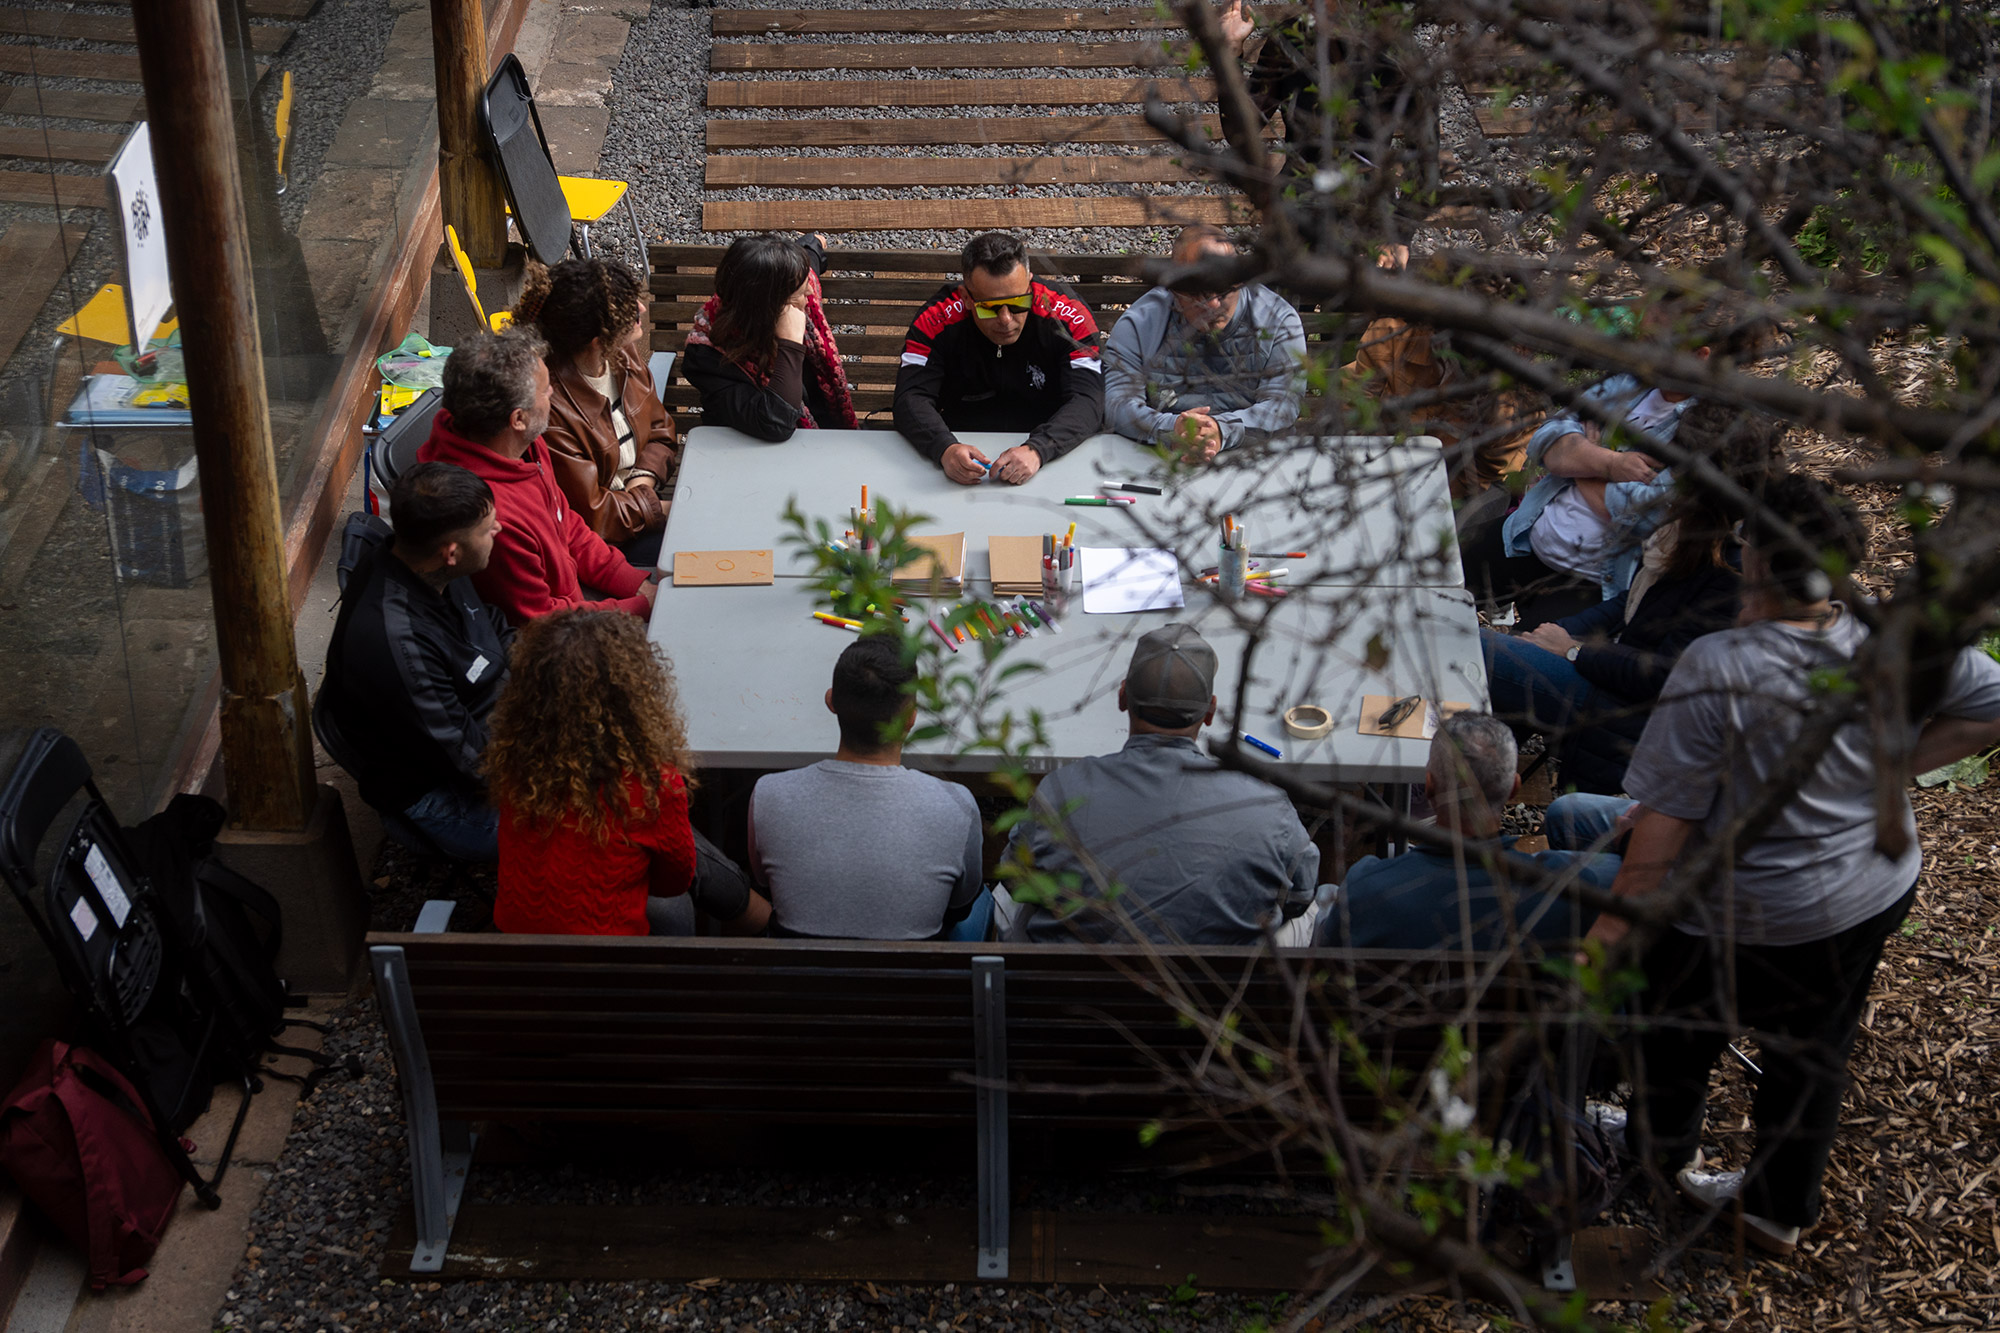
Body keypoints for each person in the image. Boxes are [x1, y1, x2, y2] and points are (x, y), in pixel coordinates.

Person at [1583, 474, 2000, 1254]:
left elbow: (1665, 822)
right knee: (1812, 1049)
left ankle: (1659, 1147)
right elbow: (1991, 702)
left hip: (1752, 904)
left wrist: (1611, 931)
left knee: (1675, 1020)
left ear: (1758, 565)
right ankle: (1778, 1210)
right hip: (1872, 887)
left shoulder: (1720, 664)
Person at [1481, 404, 1775, 794]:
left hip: (1628, 711)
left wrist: (1572, 652)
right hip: (1610, 667)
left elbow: (1663, 675)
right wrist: (1549, 635)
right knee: (1513, 649)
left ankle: (1447, 786)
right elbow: (1628, 604)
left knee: (1483, 650)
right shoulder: (1694, 525)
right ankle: (1472, 782)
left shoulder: (1735, 565)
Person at [1001, 624, 1318, 944]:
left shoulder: (1060, 792)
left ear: (1123, 697)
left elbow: (1015, 879)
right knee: (1317, 909)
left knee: (1008, 901)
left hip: (1072, 990)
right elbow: (1299, 897)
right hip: (1221, 990)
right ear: (1209, 712)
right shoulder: (1266, 806)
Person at [486, 610, 771, 937]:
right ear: (635, 691)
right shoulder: (652, 781)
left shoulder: (515, 761)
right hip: (617, 965)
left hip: (515, 954)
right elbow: (674, 881)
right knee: (675, 904)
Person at [1460, 302, 1716, 623]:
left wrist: (1582, 460)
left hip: (1589, 582)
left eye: (1657, 345)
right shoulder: (1628, 384)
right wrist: (1611, 465)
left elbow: (1641, 516)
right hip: (1526, 537)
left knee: (1522, 663)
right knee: (1429, 581)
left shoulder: (1707, 428)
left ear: (1700, 357)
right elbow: (1547, 441)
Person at [321, 463, 512, 861]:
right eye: (488, 528)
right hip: (446, 796)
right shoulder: (398, 644)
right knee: (611, 823)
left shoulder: (426, 559)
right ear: (452, 553)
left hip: (488, 720)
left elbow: (490, 629)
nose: (499, 531)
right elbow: (477, 767)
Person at [747, 638, 988, 940]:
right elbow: (960, 906)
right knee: (984, 900)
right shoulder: (957, 805)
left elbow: (764, 882)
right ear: (911, 717)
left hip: (801, 980)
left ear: (831, 701)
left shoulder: (769, 795)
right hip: (916, 980)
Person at [1315, 715, 1615, 950]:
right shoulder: (1569, 890)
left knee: (1327, 897)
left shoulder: (1368, 888)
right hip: (1507, 1026)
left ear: (1429, 786)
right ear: (1514, 788)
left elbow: (1332, 954)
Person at [417, 329, 656, 623]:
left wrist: (636, 585)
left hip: (580, 602)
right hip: (562, 635)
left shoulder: (523, 443)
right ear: (518, 419)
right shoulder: (488, 517)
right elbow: (542, 619)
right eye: (545, 390)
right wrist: (639, 609)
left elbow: (566, 523)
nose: (553, 393)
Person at [894, 231, 1105, 486]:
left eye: (1018, 303)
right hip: (962, 448)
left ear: (1030, 283)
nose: (1005, 319)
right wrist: (944, 448)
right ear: (966, 298)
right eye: (989, 307)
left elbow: (1089, 398)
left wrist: (1039, 449)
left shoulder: (1068, 315)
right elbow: (910, 397)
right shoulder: (936, 319)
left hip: (1047, 454)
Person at [515, 256, 678, 567]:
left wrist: (641, 484)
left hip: (640, 503)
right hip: (610, 542)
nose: (641, 310)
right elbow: (594, 515)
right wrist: (659, 509)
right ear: (596, 341)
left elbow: (660, 430)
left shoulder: (621, 354)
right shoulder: (552, 411)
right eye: (629, 310)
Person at [1102, 224, 1305, 461]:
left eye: (1224, 291)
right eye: (1198, 293)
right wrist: (1172, 428)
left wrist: (1222, 429)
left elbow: (1284, 403)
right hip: (1159, 457)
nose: (1213, 305)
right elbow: (1117, 403)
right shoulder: (1141, 322)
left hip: (1252, 456)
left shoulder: (1277, 318)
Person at [683, 232, 859, 441]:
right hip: (750, 455)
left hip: (824, 442)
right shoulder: (706, 358)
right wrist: (791, 346)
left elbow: (808, 261)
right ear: (769, 309)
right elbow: (776, 423)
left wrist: (814, 242)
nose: (811, 293)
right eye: (801, 292)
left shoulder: (791, 286)